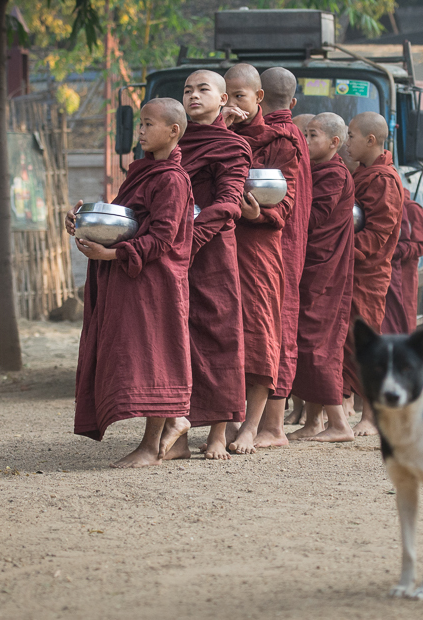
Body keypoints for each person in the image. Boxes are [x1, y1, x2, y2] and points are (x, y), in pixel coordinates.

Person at [68, 98, 193, 468]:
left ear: (173, 131)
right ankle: (171, 435)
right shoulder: (142, 171)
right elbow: (127, 221)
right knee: (140, 354)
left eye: (148, 124)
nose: (140, 131)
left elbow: (163, 237)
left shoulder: (171, 179)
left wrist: (112, 255)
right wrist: (84, 221)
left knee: (156, 357)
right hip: (133, 279)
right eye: (139, 124)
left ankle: (151, 447)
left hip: (156, 282)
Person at [167, 70, 252, 461]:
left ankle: (218, 433)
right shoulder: (171, 141)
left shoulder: (231, 144)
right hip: (172, 255)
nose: (193, 95)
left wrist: (191, 239)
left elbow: (229, 201)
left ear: (223, 101)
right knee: (176, 339)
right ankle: (178, 432)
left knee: (219, 338)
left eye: (203, 89)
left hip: (212, 251)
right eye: (187, 90)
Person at [219, 64, 303, 455]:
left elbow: (285, 202)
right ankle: (225, 422)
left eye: (241, 96)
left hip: (258, 249)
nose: (234, 104)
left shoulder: (280, 141)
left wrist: (258, 214)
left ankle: (253, 426)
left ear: (259, 99)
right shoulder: (213, 136)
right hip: (219, 247)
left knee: (259, 334)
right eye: (228, 96)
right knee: (221, 334)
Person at [289, 113, 356, 442]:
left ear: (334, 143)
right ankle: (315, 422)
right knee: (307, 341)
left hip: (325, 272)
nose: (305, 140)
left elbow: (313, 218)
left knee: (318, 344)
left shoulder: (334, 174)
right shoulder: (318, 170)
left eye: (312, 135)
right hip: (313, 266)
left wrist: (283, 205)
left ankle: (340, 424)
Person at [341, 111, 404, 436]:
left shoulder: (383, 180)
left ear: (370, 140)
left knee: (363, 342)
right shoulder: (365, 173)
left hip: (367, 272)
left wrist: (341, 254)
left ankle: (370, 415)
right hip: (351, 271)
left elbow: (379, 232)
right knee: (345, 341)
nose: (346, 141)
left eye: (350, 135)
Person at [381, 190, 423, 334]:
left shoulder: (411, 208)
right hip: (381, 270)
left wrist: (398, 251)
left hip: (405, 274)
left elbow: (422, 245)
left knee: (404, 315)